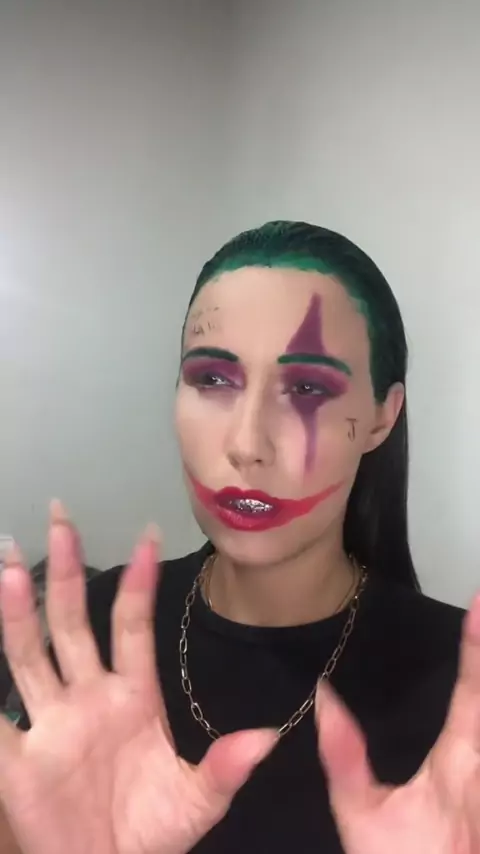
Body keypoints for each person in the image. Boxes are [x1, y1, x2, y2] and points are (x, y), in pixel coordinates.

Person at [0, 220, 478, 854]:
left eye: (308, 388)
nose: (247, 444)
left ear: (381, 418)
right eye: (213, 380)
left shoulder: (462, 688)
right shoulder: (97, 628)